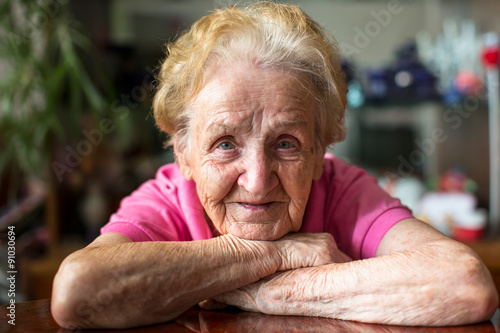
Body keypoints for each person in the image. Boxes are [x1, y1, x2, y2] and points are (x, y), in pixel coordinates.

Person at [51, 2, 498, 329]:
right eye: (225, 144)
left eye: (286, 143)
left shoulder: (340, 187)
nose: (258, 179)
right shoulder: (168, 199)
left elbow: (464, 284)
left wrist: (263, 291)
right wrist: (279, 254)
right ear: (182, 152)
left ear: (323, 145)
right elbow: (77, 293)